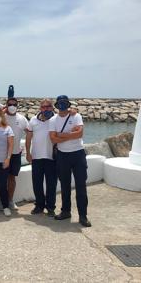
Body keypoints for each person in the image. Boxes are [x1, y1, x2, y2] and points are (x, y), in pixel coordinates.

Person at [49, 95, 91, 227]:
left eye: (64, 103)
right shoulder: (53, 120)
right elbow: (53, 139)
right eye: (60, 103)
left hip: (78, 154)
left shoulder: (76, 116)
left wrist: (61, 135)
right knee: (65, 186)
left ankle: (83, 215)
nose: (62, 105)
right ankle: (66, 211)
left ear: (68, 104)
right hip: (62, 156)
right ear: (56, 105)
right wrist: (69, 135)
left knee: (81, 186)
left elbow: (80, 134)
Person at [26, 99, 57, 217]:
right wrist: (28, 153)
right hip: (36, 156)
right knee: (37, 182)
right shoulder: (33, 120)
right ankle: (39, 205)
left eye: (48, 106)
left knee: (51, 184)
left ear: (52, 107)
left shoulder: (56, 119)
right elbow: (28, 137)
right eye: (43, 107)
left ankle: (50, 207)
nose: (46, 109)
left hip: (51, 157)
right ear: (40, 108)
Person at [5, 97, 29, 210]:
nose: (12, 106)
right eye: (10, 104)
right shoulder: (1, 117)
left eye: (14, 104)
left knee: (12, 178)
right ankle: (1, 201)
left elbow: (29, 132)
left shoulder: (22, 119)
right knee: (0, 179)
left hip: (15, 153)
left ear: (17, 106)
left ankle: (10, 200)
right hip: (1, 154)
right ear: (6, 104)